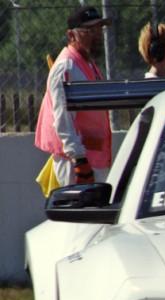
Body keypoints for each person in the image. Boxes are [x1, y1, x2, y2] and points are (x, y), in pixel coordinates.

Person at [34, 5, 112, 189]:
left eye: (99, 28)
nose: (97, 34)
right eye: (89, 30)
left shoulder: (88, 64)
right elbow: (62, 118)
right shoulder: (67, 67)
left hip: (92, 159)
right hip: (78, 164)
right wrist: (79, 159)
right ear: (71, 35)